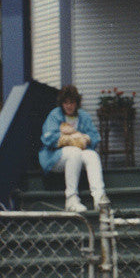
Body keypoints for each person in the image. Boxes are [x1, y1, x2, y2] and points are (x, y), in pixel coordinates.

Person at [39, 84, 106, 212]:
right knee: (74, 152)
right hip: (55, 158)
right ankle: (71, 199)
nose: (69, 106)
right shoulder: (55, 115)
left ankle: (100, 199)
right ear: (61, 103)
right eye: (65, 102)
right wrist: (69, 138)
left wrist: (86, 138)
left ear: (77, 103)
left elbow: (94, 136)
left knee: (92, 155)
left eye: (72, 102)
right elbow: (48, 138)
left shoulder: (83, 116)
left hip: (77, 156)